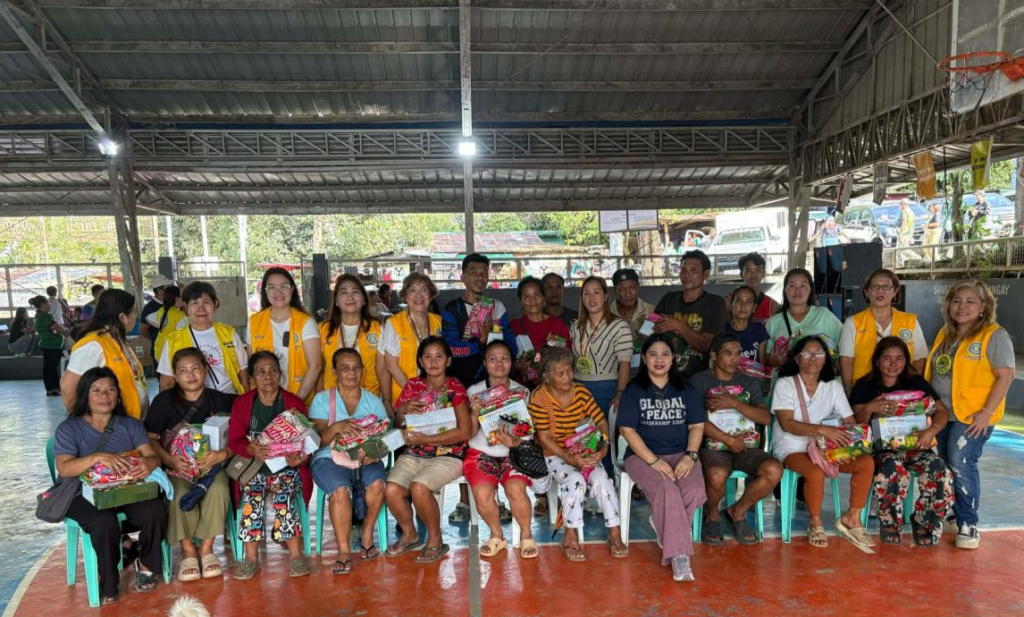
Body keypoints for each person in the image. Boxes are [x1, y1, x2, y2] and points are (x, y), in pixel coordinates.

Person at [54, 367, 168, 605]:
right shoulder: (69, 429)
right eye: (96, 390)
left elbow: (152, 456)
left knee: (155, 510)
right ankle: (109, 579)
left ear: (118, 394)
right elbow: (65, 469)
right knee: (102, 521)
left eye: (110, 389)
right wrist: (96, 457)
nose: (104, 396)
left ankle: (146, 564)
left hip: (124, 488)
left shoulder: (130, 425)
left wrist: (148, 463)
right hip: (80, 493)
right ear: (85, 395)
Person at [924, 280, 1014, 549]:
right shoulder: (946, 334)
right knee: (944, 463)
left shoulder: (994, 335)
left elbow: (1006, 375)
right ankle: (952, 513)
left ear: (984, 307)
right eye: (956, 301)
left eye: (970, 301)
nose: (962, 306)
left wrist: (986, 413)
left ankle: (968, 523)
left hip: (972, 416)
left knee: (961, 463)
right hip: (942, 412)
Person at [771, 336, 875, 549]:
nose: (813, 358)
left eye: (819, 353)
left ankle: (852, 518)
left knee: (866, 463)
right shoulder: (785, 384)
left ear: (826, 359)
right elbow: (787, 424)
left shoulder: (833, 387)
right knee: (814, 473)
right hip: (792, 446)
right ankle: (815, 522)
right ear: (797, 358)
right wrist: (822, 430)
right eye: (807, 353)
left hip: (827, 448)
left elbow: (849, 422)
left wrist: (850, 447)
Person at [618, 334, 706, 581]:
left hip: (681, 453)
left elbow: (697, 426)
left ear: (673, 358)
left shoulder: (685, 389)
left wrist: (690, 455)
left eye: (665, 354)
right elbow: (627, 430)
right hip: (642, 456)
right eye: (653, 354)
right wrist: (653, 461)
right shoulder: (634, 391)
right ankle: (679, 556)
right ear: (644, 359)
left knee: (695, 490)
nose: (659, 359)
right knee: (667, 488)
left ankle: (665, 524)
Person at [849, 337, 952, 546]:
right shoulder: (864, 385)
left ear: (906, 361)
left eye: (899, 358)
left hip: (917, 448)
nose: (893, 364)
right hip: (881, 451)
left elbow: (942, 411)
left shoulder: (917, 384)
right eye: (887, 358)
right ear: (877, 361)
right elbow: (855, 426)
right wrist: (870, 408)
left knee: (939, 468)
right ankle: (889, 522)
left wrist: (932, 430)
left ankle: (923, 520)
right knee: (891, 466)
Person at [529, 346, 626, 562]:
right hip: (555, 454)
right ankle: (570, 533)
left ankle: (614, 531)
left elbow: (600, 421)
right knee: (574, 481)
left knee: (602, 479)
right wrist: (570, 458)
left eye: (569, 371)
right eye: (560, 373)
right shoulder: (539, 398)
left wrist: (602, 449)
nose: (567, 377)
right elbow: (544, 438)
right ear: (546, 376)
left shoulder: (580, 392)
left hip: (585, 448)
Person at [144, 348, 233, 582]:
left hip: (211, 469)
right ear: (175, 374)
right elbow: (150, 439)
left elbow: (237, 437)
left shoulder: (220, 400)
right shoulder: (163, 401)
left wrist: (220, 455)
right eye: (183, 371)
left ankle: (206, 548)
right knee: (177, 493)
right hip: (177, 468)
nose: (190, 375)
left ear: (205, 369)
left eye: (195, 368)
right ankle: (187, 551)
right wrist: (171, 460)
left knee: (219, 488)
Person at [384, 336, 472, 564]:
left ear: (449, 360)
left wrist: (428, 439)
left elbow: (465, 431)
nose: (433, 362)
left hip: (448, 455)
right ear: (421, 361)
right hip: (415, 453)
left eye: (439, 356)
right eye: (428, 357)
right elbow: (398, 424)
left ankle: (435, 539)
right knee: (392, 489)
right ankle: (410, 534)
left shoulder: (455, 388)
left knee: (419, 488)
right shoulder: (413, 385)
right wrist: (402, 409)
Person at [227, 351, 313, 580]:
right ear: (253, 377)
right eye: (261, 372)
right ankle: (251, 559)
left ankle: (296, 556)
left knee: (284, 496)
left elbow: (308, 442)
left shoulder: (293, 402)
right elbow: (234, 440)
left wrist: (300, 459)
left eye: (273, 371)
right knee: (251, 498)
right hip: (255, 468)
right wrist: (250, 449)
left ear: (280, 375)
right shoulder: (244, 404)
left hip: (287, 470)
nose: (268, 376)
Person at [691, 333, 782, 546]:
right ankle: (712, 515)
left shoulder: (748, 382)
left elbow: (766, 418)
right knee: (716, 474)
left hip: (747, 447)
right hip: (712, 447)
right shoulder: (700, 380)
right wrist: (728, 440)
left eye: (738, 353)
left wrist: (735, 403)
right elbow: (695, 421)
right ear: (714, 355)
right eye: (728, 353)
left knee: (774, 470)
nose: (735, 358)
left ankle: (736, 512)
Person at [308, 347, 389, 574]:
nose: (351, 373)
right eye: (345, 368)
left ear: (362, 370)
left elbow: (384, 439)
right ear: (335, 371)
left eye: (356, 367)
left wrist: (374, 454)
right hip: (329, 458)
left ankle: (366, 533)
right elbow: (316, 442)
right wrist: (335, 427)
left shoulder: (373, 402)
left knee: (377, 485)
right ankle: (343, 550)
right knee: (340, 490)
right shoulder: (323, 400)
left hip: (366, 458)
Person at [465, 341, 539, 559]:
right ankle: (497, 536)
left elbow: (529, 433)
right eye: (493, 359)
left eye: (504, 358)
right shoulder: (475, 392)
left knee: (516, 490)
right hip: (481, 453)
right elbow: (468, 434)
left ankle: (526, 536)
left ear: (511, 362)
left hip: (513, 453)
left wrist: (514, 442)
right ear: (485, 363)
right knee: (482, 493)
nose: (499, 363)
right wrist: (473, 414)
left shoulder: (522, 392)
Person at [61, 290, 149, 418]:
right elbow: (67, 387)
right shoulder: (93, 345)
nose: (136, 317)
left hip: (128, 425)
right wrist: (84, 422)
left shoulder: (116, 340)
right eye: (134, 313)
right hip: (108, 427)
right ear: (122, 317)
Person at [442, 253, 517, 394]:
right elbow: (450, 348)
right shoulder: (452, 309)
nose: (480, 277)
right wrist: (480, 342)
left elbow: (511, 345)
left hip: (496, 380)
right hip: (461, 381)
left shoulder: (498, 307)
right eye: (473, 272)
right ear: (463, 278)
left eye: (484, 273)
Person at [839, 268, 927, 389]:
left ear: (895, 291)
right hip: (864, 392)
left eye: (886, 286)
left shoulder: (910, 321)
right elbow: (846, 360)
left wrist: (915, 389)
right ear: (867, 292)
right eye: (875, 286)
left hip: (902, 392)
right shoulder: (853, 323)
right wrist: (849, 391)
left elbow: (919, 359)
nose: (880, 290)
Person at [158, 281, 249, 398]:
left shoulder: (228, 333)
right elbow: (167, 383)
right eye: (194, 303)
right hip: (191, 404)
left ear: (215, 304)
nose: (201, 308)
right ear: (186, 307)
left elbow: (243, 375)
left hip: (228, 400)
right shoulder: (173, 341)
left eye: (206, 302)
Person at [247, 267, 321, 406]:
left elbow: (315, 366)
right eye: (272, 287)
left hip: (299, 399)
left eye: (284, 286)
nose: (278, 291)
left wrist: (294, 402)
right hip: (263, 401)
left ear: (292, 290)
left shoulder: (305, 322)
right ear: (265, 291)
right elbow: (252, 364)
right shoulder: (254, 321)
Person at [653, 250, 727, 377]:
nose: (687, 274)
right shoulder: (669, 299)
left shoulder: (714, 303)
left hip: (698, 377)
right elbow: (650, 331)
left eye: (694, 270)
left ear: (706, 274)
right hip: (666, 373)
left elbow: (706, 344)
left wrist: (679, 326)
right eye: (683, 270)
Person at [380, 272, 443, 416]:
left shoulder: (439, 322)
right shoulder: (394, 323)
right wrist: (418, 395)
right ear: (405, 295)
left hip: (436, 398)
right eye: (412, 290)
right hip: (405, 399)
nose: (419, 295)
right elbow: (391, 366)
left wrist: (432, 395)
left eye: (424, 290)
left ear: (431, 295)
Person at [571, 276, 632, 420]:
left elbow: (625, 363)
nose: (591, 298)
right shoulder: (575, 326)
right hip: (577, 387)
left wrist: (620, 392)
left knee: (604, 436)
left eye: (596, 292)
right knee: (582, 436)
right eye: (586, 293)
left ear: (605, 297)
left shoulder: (619, 326)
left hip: (606, 389)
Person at [764, 268, 842, 372]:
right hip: (786, 384)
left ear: (810, 290)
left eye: (803, 286)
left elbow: (845, 345)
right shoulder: (773, 322)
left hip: (820, 383)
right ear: (785, 289)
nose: (797, 291)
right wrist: (773, 360)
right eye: (792, 286)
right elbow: (766, 357)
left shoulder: (824, 316)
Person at [319, 274, 384, 397]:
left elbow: (383, 370)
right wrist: (320, 402)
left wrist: (386, 399)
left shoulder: (378, 328)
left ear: (364, 299)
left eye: (355, 292)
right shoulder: (322, 329)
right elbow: (319, 371)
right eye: (344, 292)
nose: (350, 297)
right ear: (336, 301)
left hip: (370, 399)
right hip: (333, 400)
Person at [511, 275, 571, 385]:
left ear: (543, 298)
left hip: (554, 386)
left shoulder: (557, 325)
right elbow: (504, 357)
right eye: (527, 297)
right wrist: (517, 366)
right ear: (521, 301)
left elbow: (567, 355)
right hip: (525, 389)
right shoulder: (514, 326)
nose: (532, 300)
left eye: (536, 295)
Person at [724, 253, 780, 324]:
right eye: (748, 271)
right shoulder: (728, 302)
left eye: (758, 270)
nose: (753, 275)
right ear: (742, 274)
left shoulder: (772, 306)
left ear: (764, 274)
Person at [28, 295, 67, 395]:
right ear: (42, 304)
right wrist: (64, 330)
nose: (49, 305)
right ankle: (50, 389)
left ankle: (56, 387)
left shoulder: (41, 315)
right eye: (48, 303)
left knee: (53, 367)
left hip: (53, 344)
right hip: (50, 345)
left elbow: (53, 328)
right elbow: (55, 326)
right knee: (49, 368)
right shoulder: (44, 316)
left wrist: (58, 330)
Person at [609, 268, 655, 350]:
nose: (628, 294)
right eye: (622, 289)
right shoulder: (606, 314)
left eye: (631, 288)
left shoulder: (650, 311)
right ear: (615, 290)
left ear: (638, 287)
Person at [724, 286, 769, 363]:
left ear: (754, 308)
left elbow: (762, 363)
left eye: (749, 301)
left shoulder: (759, 330)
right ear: (731, 305)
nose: (743, 306)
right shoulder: (723, 329)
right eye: (738, 301)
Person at [147, 286, 186, 363]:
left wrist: (160, 325)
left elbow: (148, 318)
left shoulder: (161, 311)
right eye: (183, 297)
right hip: (172, 353)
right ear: (177, 299)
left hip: (159, 351)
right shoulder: (180, 316)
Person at [140, 275, 174, 354]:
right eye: (168, 288)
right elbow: (143, 330)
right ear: (159, 291)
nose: (171, 290)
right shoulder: (150, 308)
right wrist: (155, 340)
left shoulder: (171, 303)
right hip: (160, 350)